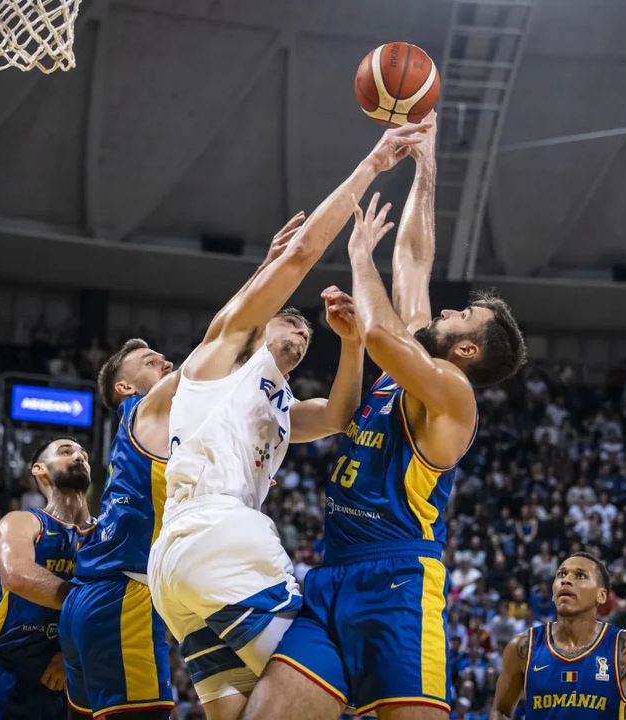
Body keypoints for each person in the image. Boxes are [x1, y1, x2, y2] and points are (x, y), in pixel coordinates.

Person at [245, 113, 526, 720]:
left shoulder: (451, 392)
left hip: (398, 583)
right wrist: (427, 168)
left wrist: (357, 255)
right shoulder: (416, 359)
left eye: (460, 318)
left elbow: (377, 332)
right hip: (332, 575)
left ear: (466, 351)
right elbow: (415, 257)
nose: (444, 311)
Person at [149, 120, 432, 720]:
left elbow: (339, 416)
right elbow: (303, 254)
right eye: (291, 321)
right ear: (259, 322)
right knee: (323, 683)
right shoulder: (222, 352)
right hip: (220, 536)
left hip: (178, 565)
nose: (303, 332)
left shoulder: (276, 404)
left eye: (308, 335)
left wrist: (351, 344)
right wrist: (374, 164)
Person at [59, 212, 309, 720]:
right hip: (126, 590)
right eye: (150, 361)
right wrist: (269, 268)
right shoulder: (147, 407)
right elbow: (228, 337)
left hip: (102, 593)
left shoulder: (169, 430)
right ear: (124, 387)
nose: (167, 363)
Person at [0, 437, 95, 720]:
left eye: (83, 454)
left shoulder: (105, 534)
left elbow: (126, 608)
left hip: (73, 687)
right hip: (5, 677)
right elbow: (17, 576)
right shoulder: (24, 521)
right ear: (39, 469)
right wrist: (94, 602)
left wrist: (72, 656)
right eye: (66, 451)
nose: (79, 456)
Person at [491, 553, 626, 717]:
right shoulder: (523, 646)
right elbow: (501, 710)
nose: (566, 580)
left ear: (601, 596)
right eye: (561, 574)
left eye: (580, 575)